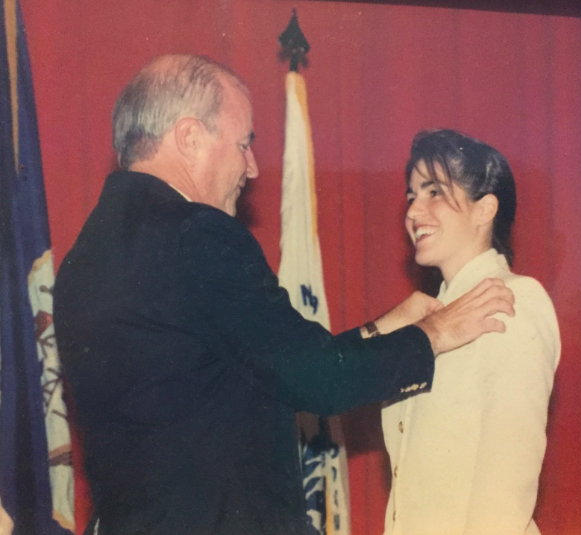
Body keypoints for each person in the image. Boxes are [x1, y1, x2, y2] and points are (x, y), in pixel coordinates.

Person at [54, 56, 514, 535]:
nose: (252, 168)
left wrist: (383, 326)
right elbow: (317, 382)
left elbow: (252, 370)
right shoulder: (198, 235)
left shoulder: (81, 260)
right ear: (189, 138)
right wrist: (435, 332)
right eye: (243, 144)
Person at [382, 129, 560, 535]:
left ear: (485, 210)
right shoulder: (423, 321)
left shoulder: (516, 299)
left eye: (433, 192)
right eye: (411, 196)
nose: (412, 211)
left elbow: (506, 487)